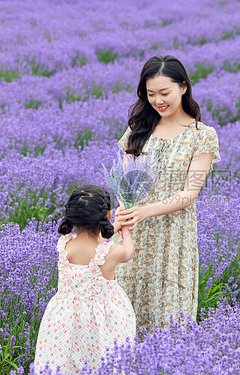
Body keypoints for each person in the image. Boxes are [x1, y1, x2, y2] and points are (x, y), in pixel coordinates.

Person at [114, 55, 221, 334]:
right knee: (124, 313)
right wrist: (121, 219)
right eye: (151, 94)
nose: (158, 101)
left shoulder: (202, 136)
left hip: (173, 237)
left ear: (183, 87)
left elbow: (189, 194)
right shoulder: (138, 130)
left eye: (165, 93)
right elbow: (124, 185)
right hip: (132, 232)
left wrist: (146, 210)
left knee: (167, 318)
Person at [34, 185, 136, 374]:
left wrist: (113, 228)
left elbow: (93, 243)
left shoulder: (65, 244)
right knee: (100, 362)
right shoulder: (112, 252)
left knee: (65, 360)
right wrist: (126, 231)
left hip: (64, 318)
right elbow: (127, 253)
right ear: (108, 215)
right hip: (100, 321)